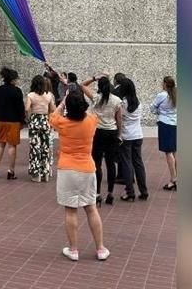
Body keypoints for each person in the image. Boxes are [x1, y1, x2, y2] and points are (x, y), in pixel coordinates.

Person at [49, 89, 109, 262]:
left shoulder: (61, 122)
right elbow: (93, 111)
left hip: (67, 168)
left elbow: (53, 115)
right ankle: (100, 248)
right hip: (87, 168)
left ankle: (73, 250)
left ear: (68, 106)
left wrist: (62, 103)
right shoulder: (91, 121)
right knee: (91, 208)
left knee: (70, 209)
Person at [84, 74, 123, 206]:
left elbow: (82, 85)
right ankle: (110, 192)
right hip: (111, 132)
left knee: (97, 163)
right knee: (111, 163)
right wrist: (120, 134)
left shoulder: (96, 98)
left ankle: (97, 193)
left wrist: (95, 77)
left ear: (99, 87)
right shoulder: (117, 100)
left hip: (97, 132)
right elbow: (119, 119)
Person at [116, 77, 149, 201]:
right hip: (138, 134)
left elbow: (119, 119)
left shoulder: (122, 104)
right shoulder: (138, 103)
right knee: (138, 163)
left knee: (127, 163)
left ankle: (130, 192)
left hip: (126, 135)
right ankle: (144, 190)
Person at [0, 67, 25, 180]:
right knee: (12, 146)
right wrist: (22, 121)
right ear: (13, 79)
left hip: (2, 120)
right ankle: (10, 171)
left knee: (0, 144)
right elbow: (20, 108)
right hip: (13, 121)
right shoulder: (17, 91)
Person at [26, 74, 56, 182]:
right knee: (45, 147)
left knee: (35, 148)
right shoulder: (48, 95)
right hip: (45, 121)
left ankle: (36, 174)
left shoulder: (30, 95)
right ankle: (46, 173)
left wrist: (29, 118)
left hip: (35, 120)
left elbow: (27, 108)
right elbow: (53, 109)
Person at [152, 75, 177, 190]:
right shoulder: (176, 94)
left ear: (165, 84)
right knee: (175, 151)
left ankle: (173, 179)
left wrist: (159, 111)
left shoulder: (162, 95)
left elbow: (152, 108)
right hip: (175, 123)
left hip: (164, 123)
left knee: (168, 152)